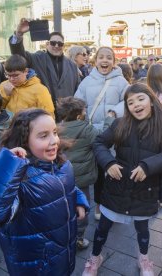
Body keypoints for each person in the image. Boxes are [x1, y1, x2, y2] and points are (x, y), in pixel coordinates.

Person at [0, 108, 89, 276]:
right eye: (43, 136)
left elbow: (65, 187)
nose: (54, 140)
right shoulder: (19, 179)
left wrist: (79, 199)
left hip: (63, 254)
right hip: (36, 265)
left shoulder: (60, 164)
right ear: (24, 141)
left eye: (54, 132)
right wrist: (7, 165)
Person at [82, 83, 162, 276]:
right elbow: (99, 143)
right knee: (102, 227)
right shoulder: (120, 124)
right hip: (116, 190)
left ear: (151, 101)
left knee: (143, 229)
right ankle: (95, 257)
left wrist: (148, 166)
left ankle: (144, 258)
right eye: (130, 102)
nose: (136, 104)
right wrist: (108, 163)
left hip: (145, 191)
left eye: (140, 99)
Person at [75, 46, 128, 220]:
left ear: (114, 61)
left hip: (115, 134)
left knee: (115, 170)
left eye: (109, 58)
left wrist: (114, 111)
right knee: (99, 173)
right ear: (95, 60)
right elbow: (78, 102)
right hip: (94, 134)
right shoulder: (87, 81)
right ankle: (99, 205)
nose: (105, 61)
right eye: (101, 57)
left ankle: (116, 204)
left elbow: (129, 101)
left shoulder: (121, 82)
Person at [58, 97, 115, 251]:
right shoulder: (86, 129)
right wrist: (109, 120)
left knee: (65, 208)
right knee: (81, 208)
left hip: (63, 178)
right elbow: (103, 137)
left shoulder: (57, 129)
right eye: (84, 110)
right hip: (82, 181)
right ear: (78, 115)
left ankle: (63, 236)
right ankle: (78, 238)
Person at [10, 18, 80, 112]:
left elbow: (78, 91)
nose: (56, 46)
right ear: (47, 44)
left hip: (67, 116)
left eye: (60, 44)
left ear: (63, 46)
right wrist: (19, 34)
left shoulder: (72, 66)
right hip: (43, 114)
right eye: (53, 43)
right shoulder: (37, 58)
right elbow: (19, 55)